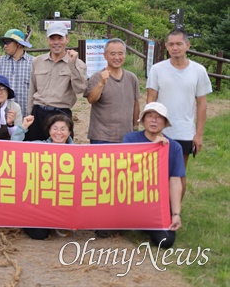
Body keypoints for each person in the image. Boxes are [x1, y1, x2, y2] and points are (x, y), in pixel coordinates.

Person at [146, 29, 212, 196]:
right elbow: (151, 99)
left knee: (179, 173)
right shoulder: (157, 69)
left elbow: (202, 104)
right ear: (167, 46)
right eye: (171, 44)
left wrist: (199, 134)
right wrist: (150, 129)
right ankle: (157, 209)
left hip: (184, 130)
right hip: (160, 131)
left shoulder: (198, 71)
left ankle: (174, 211)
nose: (175, 47)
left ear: (187, 45)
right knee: (156, 173)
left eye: (179, 44)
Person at [122, 102, 185, 248]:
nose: (154, 120)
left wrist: (176, 214)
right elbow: (125, 170)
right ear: (143, 120)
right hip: (131, 200)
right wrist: (152, 149)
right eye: (150, 116)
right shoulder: (130, 139)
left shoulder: (174, 147)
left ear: (165, 122)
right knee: (102, 230)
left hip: (156, 204)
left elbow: (175, 181)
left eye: (159, 117)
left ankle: (145, 224)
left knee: (166, 241)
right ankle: (134, 221)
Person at [11, 113, 74, 239]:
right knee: (39, 235)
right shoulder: (39, 146)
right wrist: (23, 127)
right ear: (49, 130)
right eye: (55, 128)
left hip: (63, 201)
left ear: (69, 132)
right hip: (41, 203)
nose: (59, 133)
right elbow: (15, 146)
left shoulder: (78, 153)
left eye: (63, 129)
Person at [25, 22, 87, 141]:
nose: (56, 42)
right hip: (38, 113)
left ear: (67, 40)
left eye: (60, 38)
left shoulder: (78, 64)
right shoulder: (37, 61)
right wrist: (29, 113)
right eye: (52, 39)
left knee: (60, 154)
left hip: (61, 114)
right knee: (34, 153)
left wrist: (72, 65)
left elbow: (80, 89)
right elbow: (32, 89)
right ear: (48, 40)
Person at [84, 38, 140, 143]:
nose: (117, 57)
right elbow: (91, 99)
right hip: (101, 137)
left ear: (125, 55)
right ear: (105, 55)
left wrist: (135, 127)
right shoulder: (97, 77)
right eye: (112, 54)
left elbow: (136, 103)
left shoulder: (132, 78)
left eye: (120, 54)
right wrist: (101, 83)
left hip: (126, 136)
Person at [0, 29, 33, 116]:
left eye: (8, 42)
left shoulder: (33, 62)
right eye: (4, 43)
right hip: (2, 116)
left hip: (25, 115)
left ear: (18, 44)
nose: (5, 46)